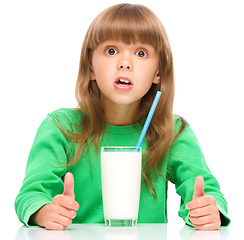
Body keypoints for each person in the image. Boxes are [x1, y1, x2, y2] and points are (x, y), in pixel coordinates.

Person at [15, 3, 230, 231]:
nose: (125, 63)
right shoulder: (60, 128)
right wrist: (45, 212)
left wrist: (206, 211)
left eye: (141, 53)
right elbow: (31, 194)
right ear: (90, 67)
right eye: (111, 51)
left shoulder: (172, 132)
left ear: (158, 72)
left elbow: (207, 193)